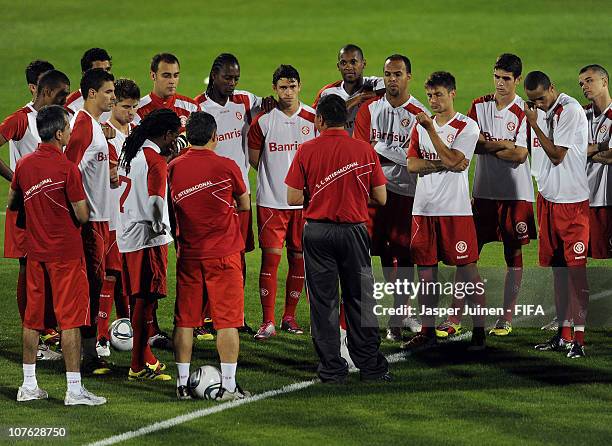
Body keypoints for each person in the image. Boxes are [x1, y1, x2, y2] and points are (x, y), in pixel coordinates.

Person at [285, 94, 390, 383]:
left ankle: (332, 368)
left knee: (324, 302)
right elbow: (381, 197)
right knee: (360, 299)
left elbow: (292, 196)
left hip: (317, 232)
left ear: (319, 120)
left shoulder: (306, 150)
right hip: (354, 231)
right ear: (346, 120)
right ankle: (371, 366)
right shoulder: (363, 149)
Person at [9, 104, 106, 405]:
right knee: (70, 322)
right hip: (65, 255)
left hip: (36, 254)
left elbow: (13, 203)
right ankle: (74, 390)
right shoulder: (67, 168)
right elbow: (82, 215)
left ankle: (28, 386)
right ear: (61, 133)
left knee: (32, 321)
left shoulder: (24, 164)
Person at [436, 53, 535, 338]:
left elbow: (520, 154)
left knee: (512, 253)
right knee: (466, 255)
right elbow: (469, 144)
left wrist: (488, 144)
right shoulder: (479, 105)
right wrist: (501, 144)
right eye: (497, 77)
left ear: (517, 80)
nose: (500, 83)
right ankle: (454, 316)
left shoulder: (524, 110)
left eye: (506, 78)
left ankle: (506, 317)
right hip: (482, 194)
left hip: (516, 195)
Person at [169, 111, 251, 400]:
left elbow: (169, 210)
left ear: (188, 137)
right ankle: (228, 386)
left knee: (186, 320)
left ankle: (181, 385)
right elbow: (243, 203)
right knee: (227, 321)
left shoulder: (173, 168)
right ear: (215, 137)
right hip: (224, 254)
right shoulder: (226, 166)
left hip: (189, 254)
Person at [193, 53, 274, 340]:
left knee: (238, 258)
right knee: (209, 258)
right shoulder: (198, 108)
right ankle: (203, 316)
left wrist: (270, 103)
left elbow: (265, 105)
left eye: (236, 78)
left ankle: (233, 317)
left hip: (240, 195)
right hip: (211, 198)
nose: (232, 83)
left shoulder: (244, 100)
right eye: (227, 77)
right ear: (214, 74)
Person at [404, 71, 487, 351]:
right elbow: (413, 165)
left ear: (453, 93)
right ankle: (427, 332)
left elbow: (455, 160)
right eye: (429, 95)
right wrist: (441, 164)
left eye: (438, 94)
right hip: (424, 209)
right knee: (426, 275)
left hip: (455, 211)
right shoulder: (419, 126)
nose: (433, 100)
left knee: (468, 273)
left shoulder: (467, 126)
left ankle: (479, 332)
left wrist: (431, 131)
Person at [353, 54, 429, 341]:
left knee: (404, 255)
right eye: (387, 74)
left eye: (397, 74)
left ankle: (400, 314)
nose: (392, 80)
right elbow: (360, 153)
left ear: (409, 76)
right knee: (375, 254)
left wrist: (381, 147)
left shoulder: (420, 113)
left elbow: (414, 159)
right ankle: (365, 314)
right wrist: (388, 154)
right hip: (372, 195)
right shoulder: (369, 110)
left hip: (406, 194)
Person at [0, 69, 71, 360]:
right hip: (27, 212)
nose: (66, 101)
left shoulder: (56, 120)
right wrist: (15, 177)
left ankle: (47, 330)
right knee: (28, 272)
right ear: (44, 93)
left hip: (51, 211)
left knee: (49, 271)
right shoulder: (21, 119)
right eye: (61, 95)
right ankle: (35, 341)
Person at [524, 71, 590, 359]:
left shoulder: (570, 111)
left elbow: (556, 155)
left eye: (541, 98)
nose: (537, 104)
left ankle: (580, 339)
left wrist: (535, 126)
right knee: (558, 271)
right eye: (533, 100)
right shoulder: (540, 111)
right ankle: (563, 336)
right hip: (548, 200)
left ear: (552, 88)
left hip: (572, 203)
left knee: (576, 274)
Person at [248, 64, 316, 340]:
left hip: (303, 204)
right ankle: (268, 321)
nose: (287, 92)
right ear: (274, 89)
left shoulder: (313, 119)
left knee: (299, 259)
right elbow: (255, 159)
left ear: (300, 86)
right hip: (271, 203)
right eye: (282, 87)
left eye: (292, 86)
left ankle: (289, 316)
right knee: (270, 261)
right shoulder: (263, 121)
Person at [117, 108, 179, 380]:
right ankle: (137, 365)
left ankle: (145, 357)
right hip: (147, 238)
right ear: (167, 135)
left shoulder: (129, 151)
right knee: (145, 301)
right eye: (174, 135)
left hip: (126, 233)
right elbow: (155, 202)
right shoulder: (155, 160)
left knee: (138, 299)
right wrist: (159, 224)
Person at [65, 67, 116, 375]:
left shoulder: (96, 125)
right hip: (90, 221)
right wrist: (79, 215)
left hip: (102, 218)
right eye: (108, 92)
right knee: (91, 287)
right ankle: (87, 355)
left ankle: (89, 350)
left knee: (97, 285)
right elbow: (67, 171)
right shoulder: (83, 125)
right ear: (93, 94)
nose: (113, 96)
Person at [95, 78, 140, 357]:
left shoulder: (139, 131)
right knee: (110, 275)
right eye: (125, 106)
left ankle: (128, 329)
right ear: (114, 104)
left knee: (131, 279)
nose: (131, 112)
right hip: (112, 217)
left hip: (135, 219)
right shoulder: (103, 133)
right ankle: (100, 336)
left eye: (134, 106)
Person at [312, 44, 384, 135]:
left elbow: (396, 87)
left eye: (353, 62)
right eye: (343, 63)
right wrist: (355, 99)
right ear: (338, 66)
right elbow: (316, 122)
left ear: (363, 64)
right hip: (340, 145)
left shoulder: (374, 84)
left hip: (368, 146)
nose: (348, 67)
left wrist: (369, 94)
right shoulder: (328, 92)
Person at [579, 65, 612, 259]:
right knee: (577, 255)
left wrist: (586, 152)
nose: (584, 86)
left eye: (589, 81)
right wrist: (602, 147)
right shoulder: (580, 115)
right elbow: (570, 152)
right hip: (581, 199)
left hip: (607, 199)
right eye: (581, 83)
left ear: (604, 82)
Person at [136, 53, 199, 133]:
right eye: (166, 76)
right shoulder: (138, 110)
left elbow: (202, 141)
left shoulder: (191, 108)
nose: (172, 81)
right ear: (153, 76)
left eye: (175, 76)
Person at [65, 48, 112, 121]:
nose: (105, 74)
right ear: (84, 74)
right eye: (98, 71)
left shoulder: (121, 98)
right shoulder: (70, 107)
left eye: (107, 70)